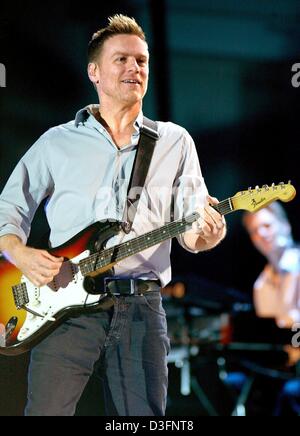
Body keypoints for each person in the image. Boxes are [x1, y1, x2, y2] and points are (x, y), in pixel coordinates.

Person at [0, 15, 226, 416]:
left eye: (141, 61)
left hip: (142, 306)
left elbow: (192, 230)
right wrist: (19, 252)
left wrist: (207, 234)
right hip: (62, 308)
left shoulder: (175, 140)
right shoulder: (56, 142)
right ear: (95, 72)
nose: (134, 68)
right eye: (121, 59)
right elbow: (9, 207)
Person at [243, 203, 300, 415]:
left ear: (285, 226)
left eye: (267, 225)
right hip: (288, 366)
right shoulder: (261, 284)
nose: (261, 234)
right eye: (254, 231)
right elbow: (278, 333)